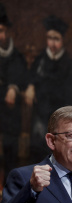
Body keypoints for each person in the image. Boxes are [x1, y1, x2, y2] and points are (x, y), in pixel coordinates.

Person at [24, 15, 72, 163]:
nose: (52, 43)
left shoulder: (69, 66)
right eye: (50, 38)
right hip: (40, 113)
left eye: (56, 39)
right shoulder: (40, 60)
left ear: (62, 41)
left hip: (58, 117)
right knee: (36, 144)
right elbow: (30, 77)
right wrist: (30, 86)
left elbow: (71, 95)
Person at [0, 3, 27, 183]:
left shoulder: (17, 57)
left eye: (1, 31)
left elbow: (23, 80)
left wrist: (13, 87)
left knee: (10, 151)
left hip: (9, 115)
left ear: (8, 32)